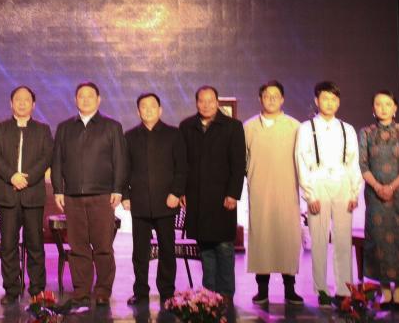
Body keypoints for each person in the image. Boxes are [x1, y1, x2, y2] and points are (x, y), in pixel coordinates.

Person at [51, 81, 126, 309]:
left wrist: (118, 188)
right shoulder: (65, 128)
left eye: (90, 96)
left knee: (103, 246)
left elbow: (120, 160)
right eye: (81, 96)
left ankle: (103, 290)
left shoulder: (111, 127)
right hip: (73, 196)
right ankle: (81, 290)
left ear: (98, 99)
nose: (85, 99)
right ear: (75, 100)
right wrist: (58, 189)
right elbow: (57, 161)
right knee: (78, 247)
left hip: (102, 195)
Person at [295, 81, 362, 307]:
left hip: (343, 183)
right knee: (319, 240)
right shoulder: (306, 128)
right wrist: (309, 195)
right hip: (318, 182)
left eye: (334, 99)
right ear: (317, 101)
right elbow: (301, 162)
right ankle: (321, 289)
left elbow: (353, 162)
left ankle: (344, 289)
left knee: (343, 239)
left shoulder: (347, 128)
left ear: (339, 102)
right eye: (325, 98)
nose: (329, 103)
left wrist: (354, 192)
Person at [0, 86, 54, 304]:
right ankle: (11, 289)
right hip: (7, 195)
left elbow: (47, 157)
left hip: (33, 195)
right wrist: (12, 176)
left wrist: (28, 178)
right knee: (8, 245)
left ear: (33, 105)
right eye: (18, 99)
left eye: (27, 100)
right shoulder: (0, 128)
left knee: (35, 244)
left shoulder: (43, 130)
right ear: (11, 103)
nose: (22, 103)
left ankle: (37, 289)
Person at [180, 85, 245, 302]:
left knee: (224, 246)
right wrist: (182, 191)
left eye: (210, 101)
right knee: (205, 247)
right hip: (197, 197)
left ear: (217, 102)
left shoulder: (232, 126)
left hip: (223, 197)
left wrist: (233, 193)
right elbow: (183, 163)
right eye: (202, 101)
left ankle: (225, 293)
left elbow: (238, 164)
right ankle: (209, 294)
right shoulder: (187, 126)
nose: (206, 105)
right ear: (196, 103)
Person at [123, 92, 187, 307]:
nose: (148, 110)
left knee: (167, 250)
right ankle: (140, 292)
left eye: (152, 106)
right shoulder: (130, 136)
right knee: (140, 252)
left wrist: (176, 193)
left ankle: (167, 292)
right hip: (140, 202)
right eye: (143, 106)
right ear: (138, 111)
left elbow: (182, 168)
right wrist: (125, 195)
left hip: (166, 202)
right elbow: (124, 169)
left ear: (160, 110)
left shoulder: (173, 134)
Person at [244, 81, 303, 306]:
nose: (271, 99)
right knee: (262, 239)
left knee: (288, 239)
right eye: (266, 95)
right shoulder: (249, 127)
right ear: (260, 98)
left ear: (283, 99)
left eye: (275, 95)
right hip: (260, 192)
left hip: (287, 191)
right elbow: (243, 160)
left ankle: (290, 288)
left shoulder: (295, 127)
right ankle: (262, 289)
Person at [358, 91, 399, 311]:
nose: (383, 108)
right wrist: (378, 187)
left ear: (395, 108)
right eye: (378, 104)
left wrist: (391, 187)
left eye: (387, 104)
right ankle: (385, 293)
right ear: (373, 108)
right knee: (379, 241)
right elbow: (362, 165)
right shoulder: (366, 133)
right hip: (375, 196)